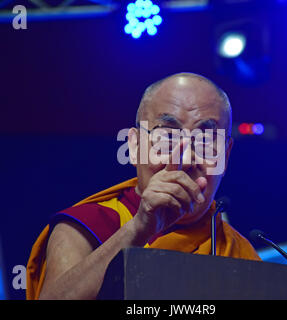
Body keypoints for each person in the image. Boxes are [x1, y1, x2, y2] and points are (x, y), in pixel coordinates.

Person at [26, 72, 261, 300]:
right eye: (167, 137)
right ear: (135, 145)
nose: (186, 159)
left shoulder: (237, 251)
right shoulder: (87, 225)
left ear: (226, 156)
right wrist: (138, 228)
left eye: (206, 141)